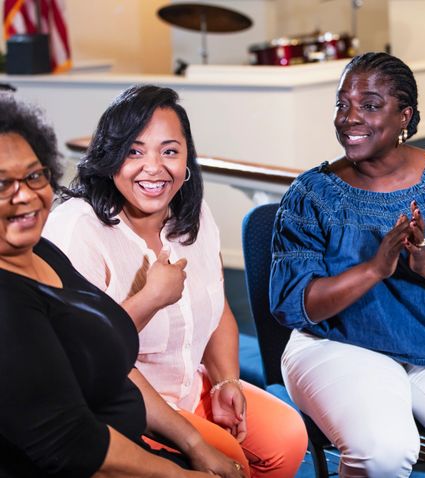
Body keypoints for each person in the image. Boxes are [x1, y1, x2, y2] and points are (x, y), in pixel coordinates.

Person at [270, 52, 425, 478]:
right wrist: (374, 267)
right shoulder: (311, 195)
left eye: (369, 105)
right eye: (342, 104)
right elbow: (295, 305)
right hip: (338, 344)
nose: (349, 118)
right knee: (385, 452)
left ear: (405, 115)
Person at [43, 85, 307, 478]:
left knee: (287, 439)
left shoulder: (192, 212)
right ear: (108, 156)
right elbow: (84, 354)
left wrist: (225, 382)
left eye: (169, 151)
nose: (154, 167)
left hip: (189, 387)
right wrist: (150, 298)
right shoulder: (76, 227)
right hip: (125, 402)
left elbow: (218, 310)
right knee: (226, 455)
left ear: (186, 159)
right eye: (134, 151)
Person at [0, 94, 246, 477]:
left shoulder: (44, 253)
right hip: (98, 456)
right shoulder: (12, 297)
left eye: (34, 176)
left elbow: (111, 364)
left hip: (137, 429)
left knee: (270, 443)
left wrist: (195, 441)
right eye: (2, 184)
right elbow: (72, 444)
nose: (26, 195)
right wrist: (182, 472)